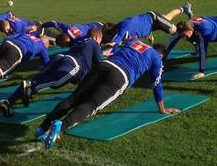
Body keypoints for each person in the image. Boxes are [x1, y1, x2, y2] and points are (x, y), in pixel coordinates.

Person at [39, 40, 179, 149]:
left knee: (73, 99)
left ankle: (42, 128)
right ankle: (59, 127)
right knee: (91, 105)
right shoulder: (157, 58)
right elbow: (157, 84)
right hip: (120, 76)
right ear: (161, 55)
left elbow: (116, 48)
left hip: (104, 65)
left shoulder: (136, 42)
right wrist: (162, 109)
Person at [0, 28, 103, 117]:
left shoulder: (81, 39)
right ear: (98, 37)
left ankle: (8, 102)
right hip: (73, 64)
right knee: (56, 83)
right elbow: (98, 63)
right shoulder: (95, 43)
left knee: (38, 79)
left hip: (60, 58)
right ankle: (30, 87)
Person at [103, 2, 192, 53]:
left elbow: (118, 36)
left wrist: (113, 44)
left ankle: (191, 28)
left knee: (175, 31)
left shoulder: (123, 27)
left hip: (154, 19)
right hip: (151, 24)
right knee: (168, 17)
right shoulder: (123, 33)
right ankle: (184, 8)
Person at [40, 20, 105, 46]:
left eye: (64, 45)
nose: (64, 47)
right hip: (96, 24)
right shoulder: (67, 28)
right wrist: (40, 27)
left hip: (102, 30)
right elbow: (53, 23)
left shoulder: (79, 40)